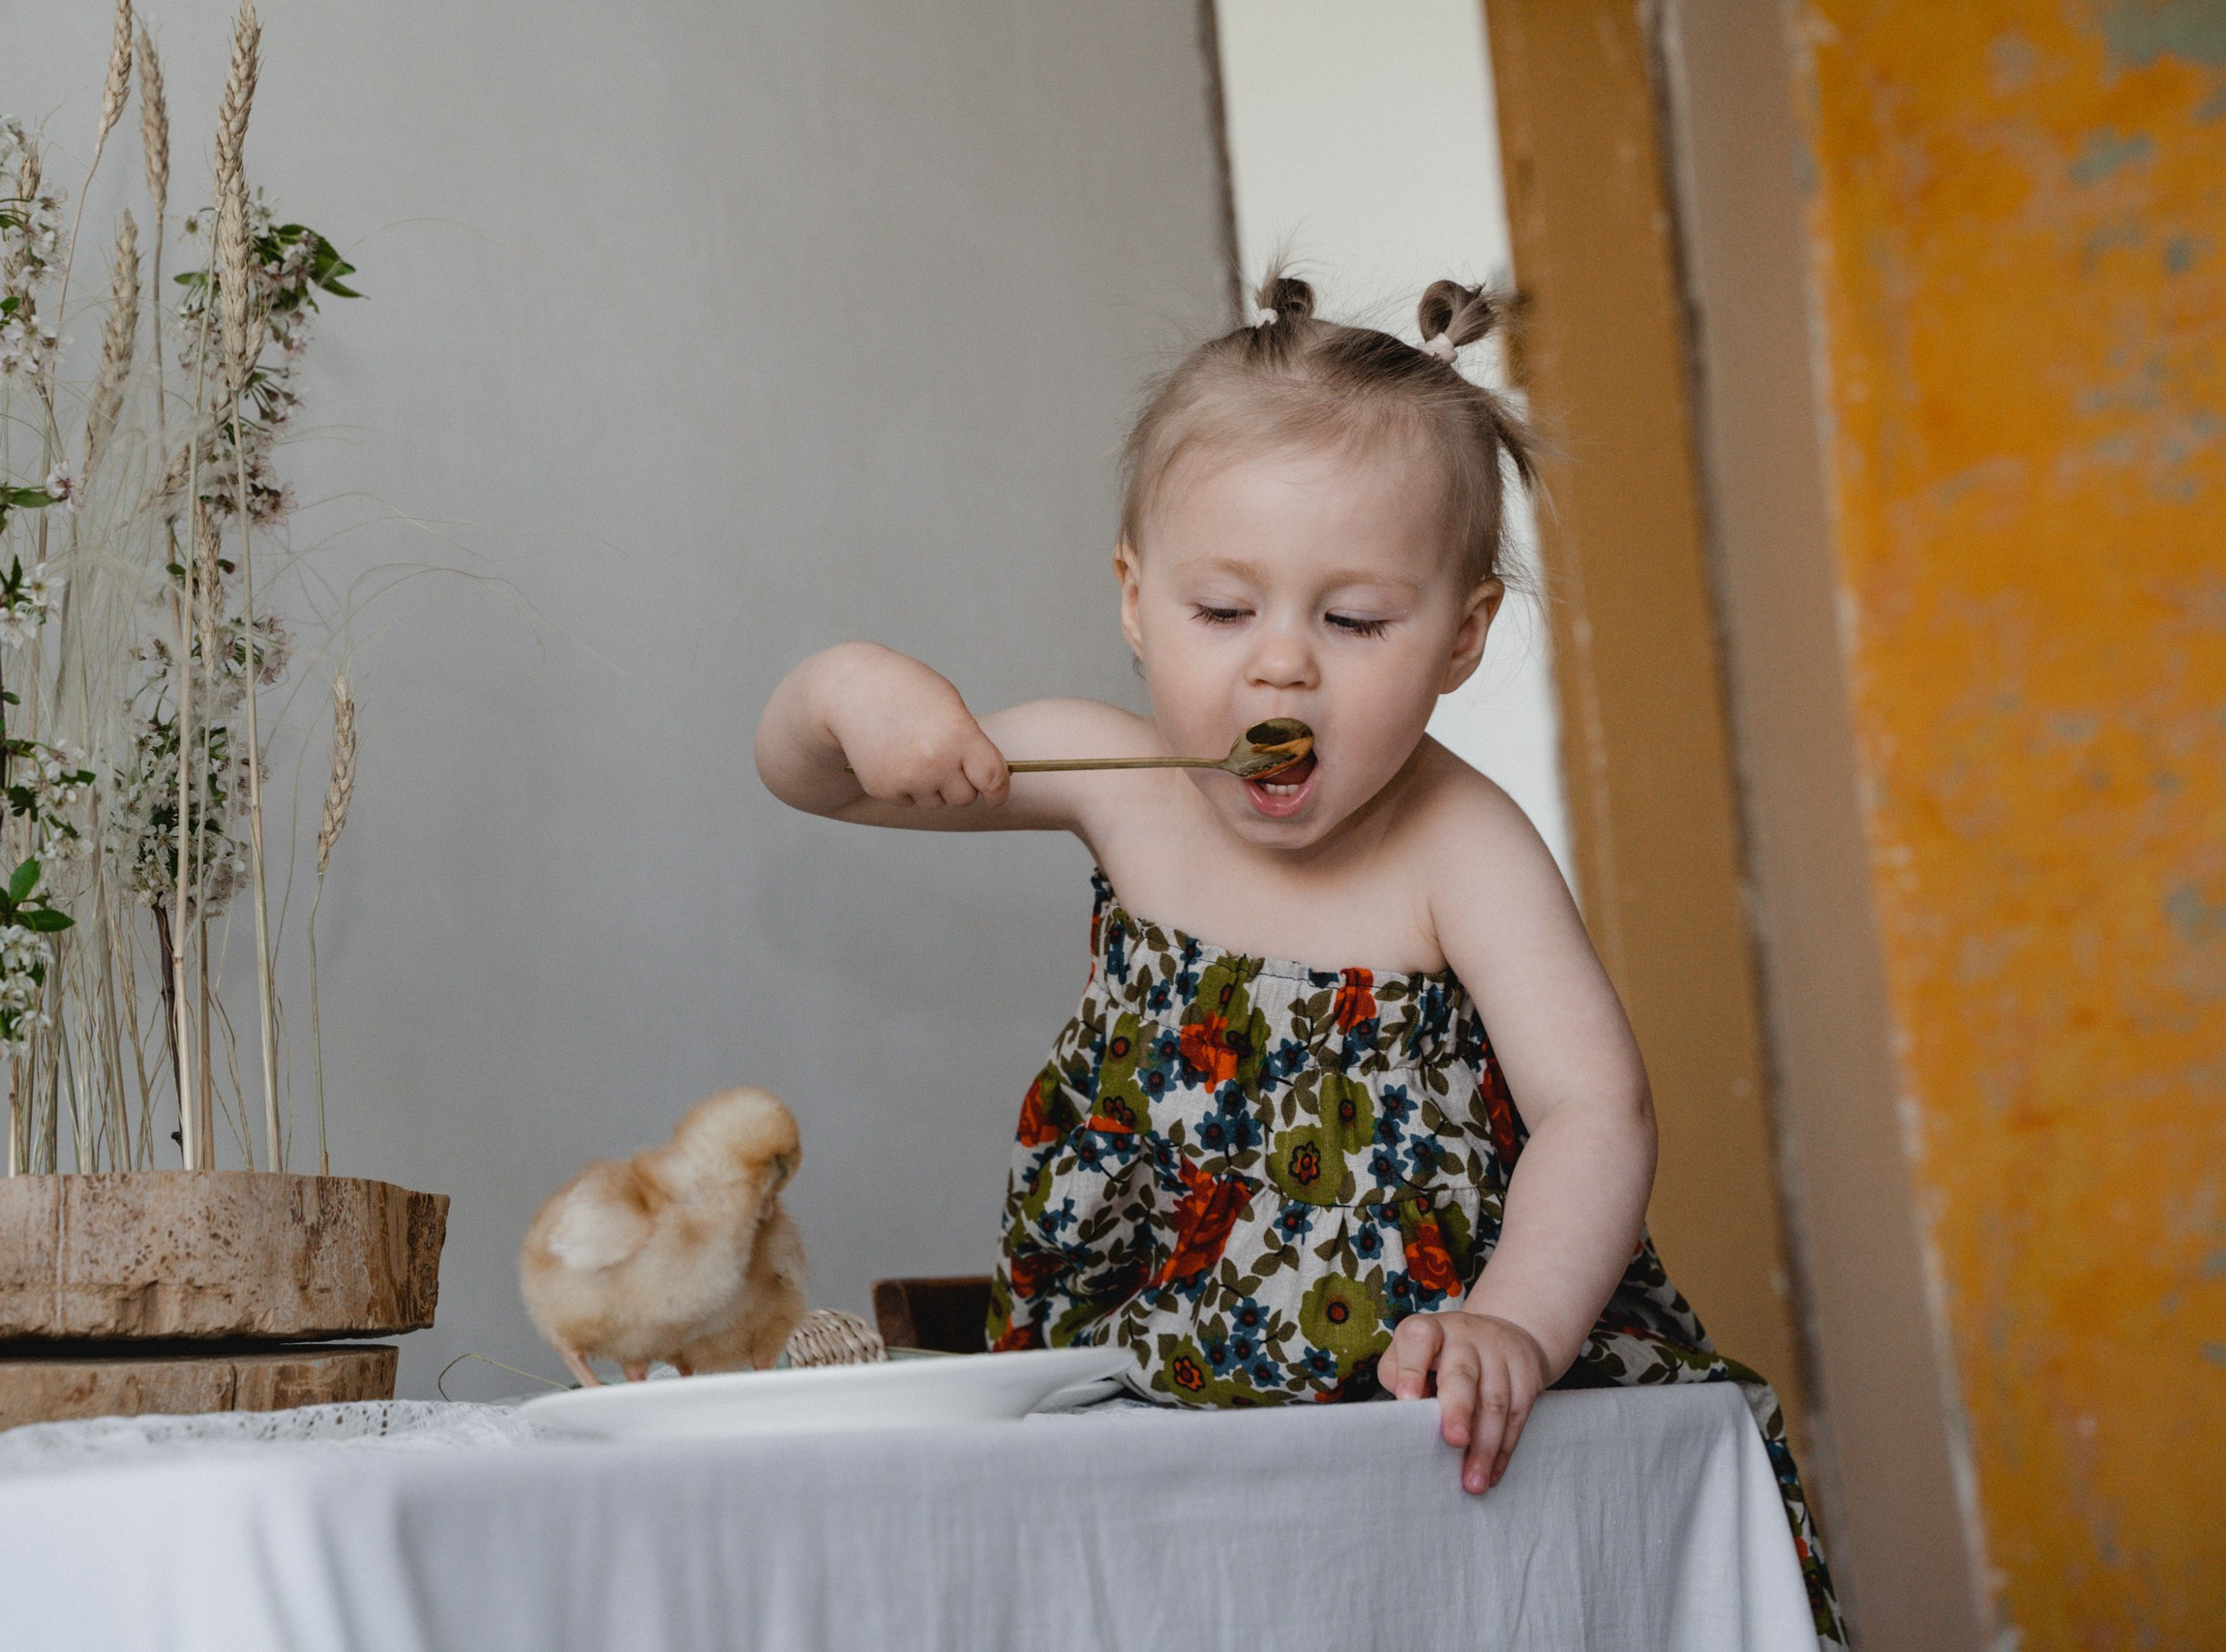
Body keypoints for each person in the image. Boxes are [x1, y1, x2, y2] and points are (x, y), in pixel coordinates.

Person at [756, 272, 1844, 1647]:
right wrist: (849, 688)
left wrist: (1513, 1325)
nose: (1282, 673)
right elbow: (814, 783)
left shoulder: (1462, 847)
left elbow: (1595, 1108)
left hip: (1423, 1403)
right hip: (1146, 1396)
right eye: (1225, 612)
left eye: (1354, 621)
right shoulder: (1127, 783)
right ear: (1136, 601)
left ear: (1461, 636)